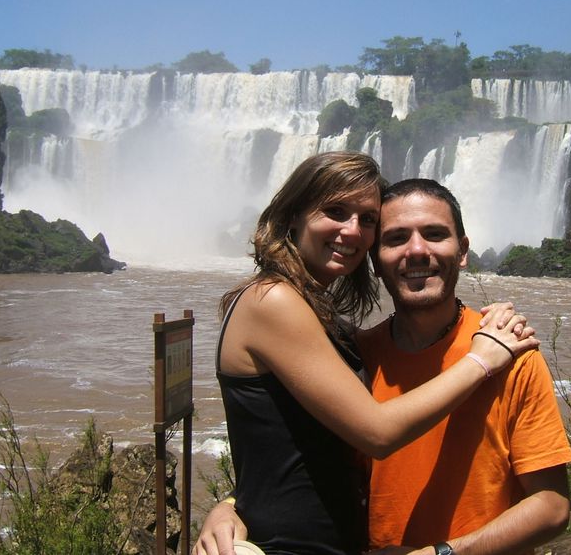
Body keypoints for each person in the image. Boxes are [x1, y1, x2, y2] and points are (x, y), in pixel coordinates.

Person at [194, 152, 539, 555]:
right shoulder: (273, 300)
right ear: (293, 215)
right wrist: (483, 358)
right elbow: (377, 432)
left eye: (368, 220)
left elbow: (297, 448)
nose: (352, 231)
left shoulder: (324, 318)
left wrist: (233, 501)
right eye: (335, 212)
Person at [359, 178, 571, 555]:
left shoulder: (513, 352)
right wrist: (233, 505)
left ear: (462, 252)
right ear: (376, 260)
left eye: (434, 234)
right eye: (395, 239)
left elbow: (551, 507)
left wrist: (441, 554)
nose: (417, 250)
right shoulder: (356, 358)